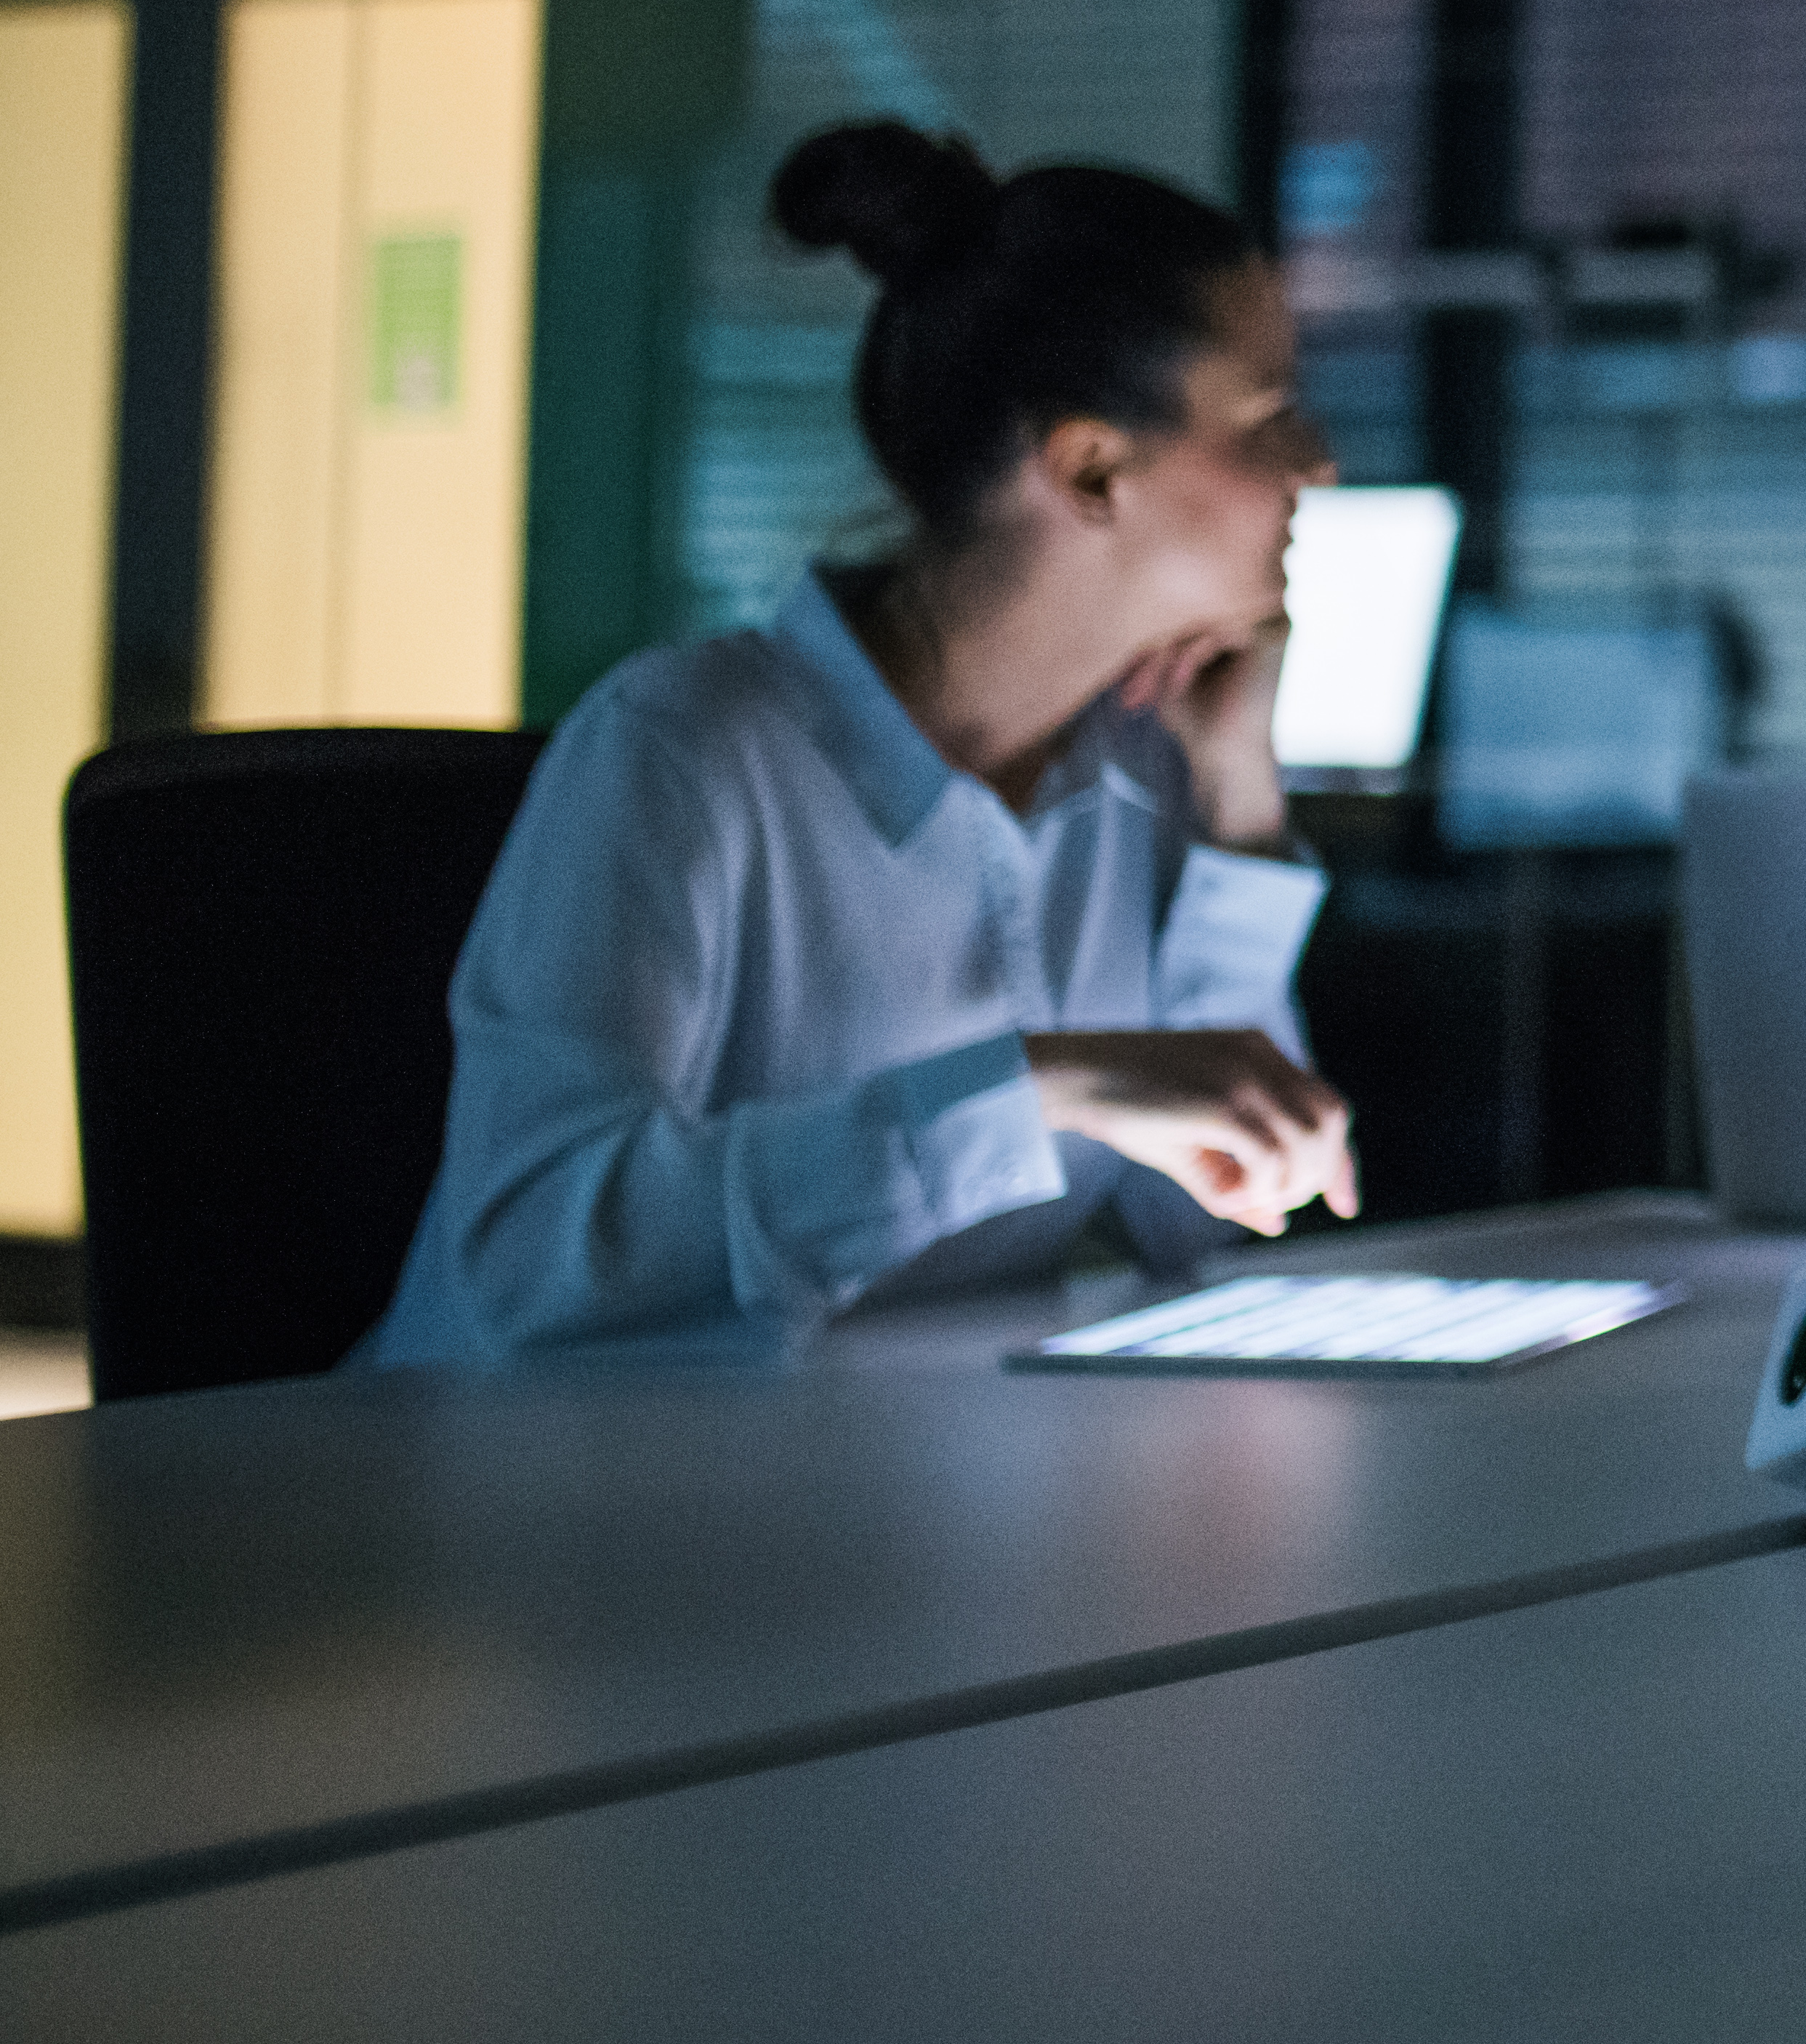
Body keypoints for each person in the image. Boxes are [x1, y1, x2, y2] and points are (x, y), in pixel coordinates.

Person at [366, 124, 1357, 1366]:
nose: (1319, 460)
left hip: (860, 1504)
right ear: (1093, 468)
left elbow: (1222, 1224)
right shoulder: (687, 748)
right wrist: (1033, 1083)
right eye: (1270, 418)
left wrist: (1241, 806)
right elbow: (543, 1248)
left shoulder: (1141, 769)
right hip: (516, 1511)